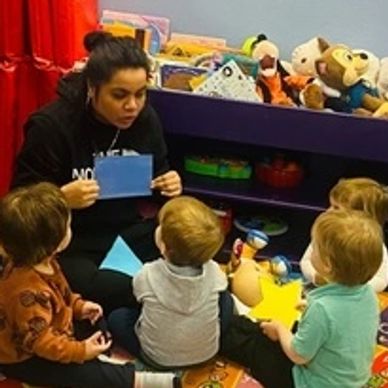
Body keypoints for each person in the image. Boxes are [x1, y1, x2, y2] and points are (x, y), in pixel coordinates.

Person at [11, 31, 182, 313]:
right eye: (120, 95)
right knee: (89, 285)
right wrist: (60, 198)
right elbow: (18, 207)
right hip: (70, 241)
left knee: (188, 248)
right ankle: (149, 297)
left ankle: (148, 296)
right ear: (92, 87)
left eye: (140, 94)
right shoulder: (51, 126)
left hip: (125, 233)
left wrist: (169, 184)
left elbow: (158, 178)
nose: (132, 106)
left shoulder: (145, 119)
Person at [0, 183, 179, 388]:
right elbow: (42, 343)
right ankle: (134, 379)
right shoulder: (27, 292)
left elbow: (61, 294)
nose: (70, 229)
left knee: (97, 323)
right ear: (55, 242)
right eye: (68, 226)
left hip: (48, 328)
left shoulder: (43, 260)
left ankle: (99, 356)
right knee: (77, 373)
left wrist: (79, 306)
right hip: (23, 355)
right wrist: (80, 351)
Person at [220, 209, 382, 388]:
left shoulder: (322, 309)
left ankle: (221, 335)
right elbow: (344, 325)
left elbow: (299, 355)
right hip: (351, 379)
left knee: (261, 345)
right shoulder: (368, 294)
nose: (311, 249)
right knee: (275, 328)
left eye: (315, 246)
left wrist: (280, 330)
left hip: (310, 383)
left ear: (327, 265)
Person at [108, 196, 232, 369]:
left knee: (117, 317)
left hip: (158, 359)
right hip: (207, 354)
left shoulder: (147, 274)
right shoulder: (215, 271)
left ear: (163, 246)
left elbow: (137, 299)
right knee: (226, 299)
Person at [300, 177, 388, 291]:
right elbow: (306, 261)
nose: (328, 211)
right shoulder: (324, 235)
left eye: (336, 208)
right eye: (330, 205)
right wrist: (315, 276)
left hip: (356, 299)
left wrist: (355, 288)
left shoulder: (375, 246)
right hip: (319, 292)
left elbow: (382, 279)